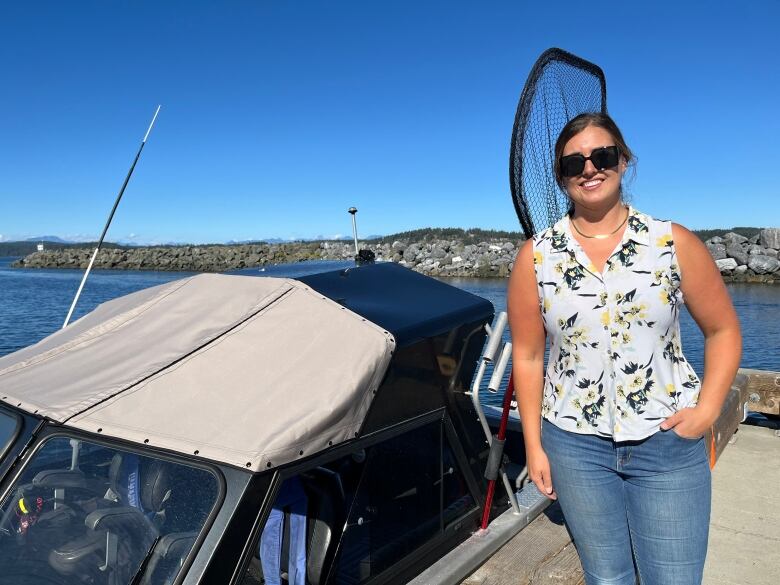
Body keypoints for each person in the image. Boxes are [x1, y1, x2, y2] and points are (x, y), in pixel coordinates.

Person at [507, 112, 741, 585]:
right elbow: (529, 356)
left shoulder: (671, 242)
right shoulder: (535, 257)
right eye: (574, 164)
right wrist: (533, 444)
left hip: (667, 442)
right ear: (561, 177)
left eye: (602, 156)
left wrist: (707, 410)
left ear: (624, 161)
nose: (589, 168)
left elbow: (723, 332)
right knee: (607, 578)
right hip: (574, 446)